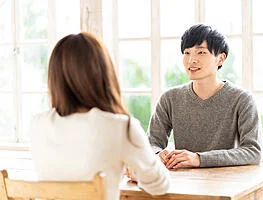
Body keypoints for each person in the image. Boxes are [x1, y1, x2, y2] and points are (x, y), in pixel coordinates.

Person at [29, 32, 169, 200]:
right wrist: (137, 167)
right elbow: (159, 186)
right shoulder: (121, 126)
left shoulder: (37, 124)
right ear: (104, 73)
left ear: (55, 78)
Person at [148, 24, 263, 169]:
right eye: (187, 52)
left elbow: (253, 152)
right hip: (183, 182)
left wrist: (199, 159)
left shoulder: (242, 99)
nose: (191, 60)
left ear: (220, 59)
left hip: (228, 183)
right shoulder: (169, 98)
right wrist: (157, 154)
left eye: (201, 52)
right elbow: (151, 144)